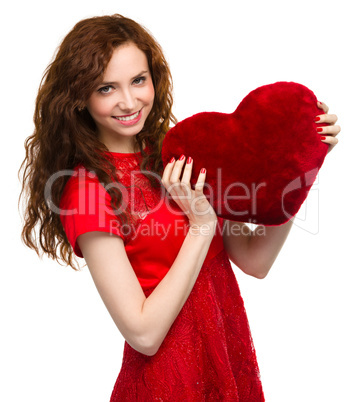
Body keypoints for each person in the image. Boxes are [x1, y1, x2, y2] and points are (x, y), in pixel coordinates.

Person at [19, 14, 340, 401]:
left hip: (227, 357)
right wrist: (202, 227)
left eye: (138, 80)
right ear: (79, 98)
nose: (128, 101)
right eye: (106, 88)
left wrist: (301, 161)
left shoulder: (179, 154)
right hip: (168, 380)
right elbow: (144, 334)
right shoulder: (86, 189)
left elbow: (255, 260)